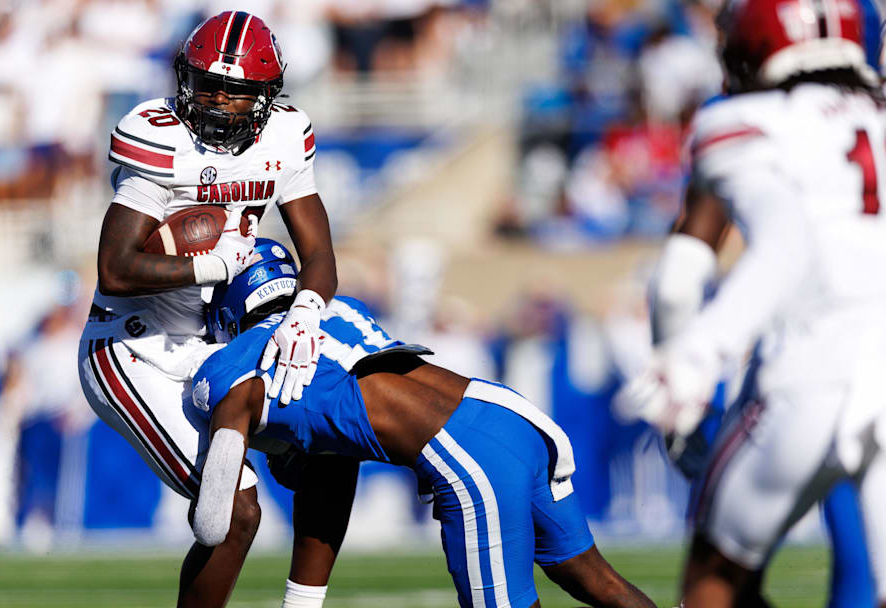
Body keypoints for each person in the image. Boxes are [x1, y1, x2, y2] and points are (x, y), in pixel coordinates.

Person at [190, 238, 656, 608]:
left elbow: (216, 521)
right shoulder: (343, 309)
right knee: (596, 581)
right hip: (505, 411)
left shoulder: (230, 367)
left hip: (464, 457)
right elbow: (334, 462)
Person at [615, 0, 886, 605]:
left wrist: (692, 359)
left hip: (810, 372)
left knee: (716, 580)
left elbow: (683, 278)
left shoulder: (743, 121)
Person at [76, 12, 348, 608]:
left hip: (213, 347)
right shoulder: (159, 136)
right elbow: (115, 269)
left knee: (332, 451)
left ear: (267, 96)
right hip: (131, 347)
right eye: (208, 86)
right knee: (237, 510)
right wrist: (213, 267)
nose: (220, 102)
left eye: (237, 91)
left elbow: (320, 253)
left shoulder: (284, 136)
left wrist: (306, 308)